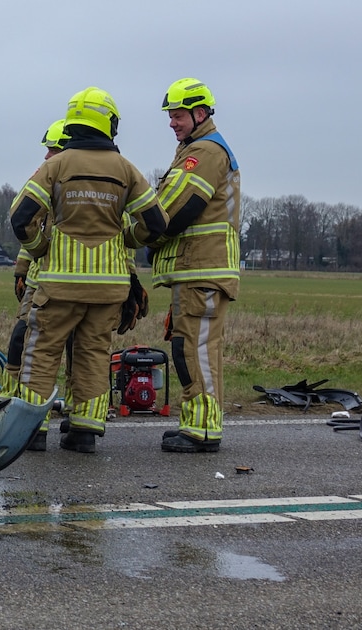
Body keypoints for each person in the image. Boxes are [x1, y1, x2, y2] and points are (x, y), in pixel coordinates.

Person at [8, 87, 167, 454]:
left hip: (59, 286)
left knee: (42, 351)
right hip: (108, 290)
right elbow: (156, 222)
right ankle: (85, 431)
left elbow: (21, 217)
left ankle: (33, 431)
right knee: (94, 354)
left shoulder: (57, 165)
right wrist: (128, 237)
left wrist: (39, 248)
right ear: (108, 124)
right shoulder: (126, 169)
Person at [150, 78, 241, 453]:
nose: (172, 122)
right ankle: (198, 423)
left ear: (200, 113)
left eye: (178, 116)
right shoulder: (199, 148)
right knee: (193, 348)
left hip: (201, 269)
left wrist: (137, 231)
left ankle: (202, 429)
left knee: (194, 350)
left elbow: (173, 208)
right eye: (170, 116)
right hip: (199, 269)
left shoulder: (204, 152)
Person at [2, 119, 68, 451]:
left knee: (42, 350)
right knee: (20, 339)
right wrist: (22, 266)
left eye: (52, 149)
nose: (46, 156)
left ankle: (34, 419)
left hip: (57, 281)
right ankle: (8, 400)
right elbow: (28, 223)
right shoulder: (47, 177)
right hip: (39, 278)